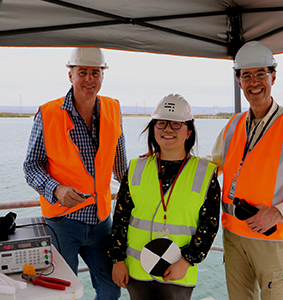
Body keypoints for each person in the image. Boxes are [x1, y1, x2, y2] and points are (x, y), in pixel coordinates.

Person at [209, 41, 283, 300]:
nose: (254, 82)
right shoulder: (233, 125)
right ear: (239, 81)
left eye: (261, 74)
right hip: (234, 237)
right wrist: (167, 161)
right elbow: (210, 166)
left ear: (273, 76)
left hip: (275, 239)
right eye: (246, 75)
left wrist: (278, 212)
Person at [23, 47, 127, 300]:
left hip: (102, 220)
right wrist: (56, 189)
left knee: (111, 289)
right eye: (82, 72)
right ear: (71, 75)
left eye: (95, 72)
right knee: (64, 292)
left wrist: (139, 182)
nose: (89, 79)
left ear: (103, 75)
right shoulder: (48, 114)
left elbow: (120, 164)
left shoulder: (113, 108)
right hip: (62, 223)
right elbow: (31, 167)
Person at [108, 94, 220, 300]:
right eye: (161, 124)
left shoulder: (205, 174)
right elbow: (120, 219)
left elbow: (209, 226)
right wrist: (117, 260)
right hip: (136, 270)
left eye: (176, 124)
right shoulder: (135, 168)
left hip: (177, 272)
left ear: (189, 131)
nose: (168, 130)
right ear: (153, 129)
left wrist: (186, 261)